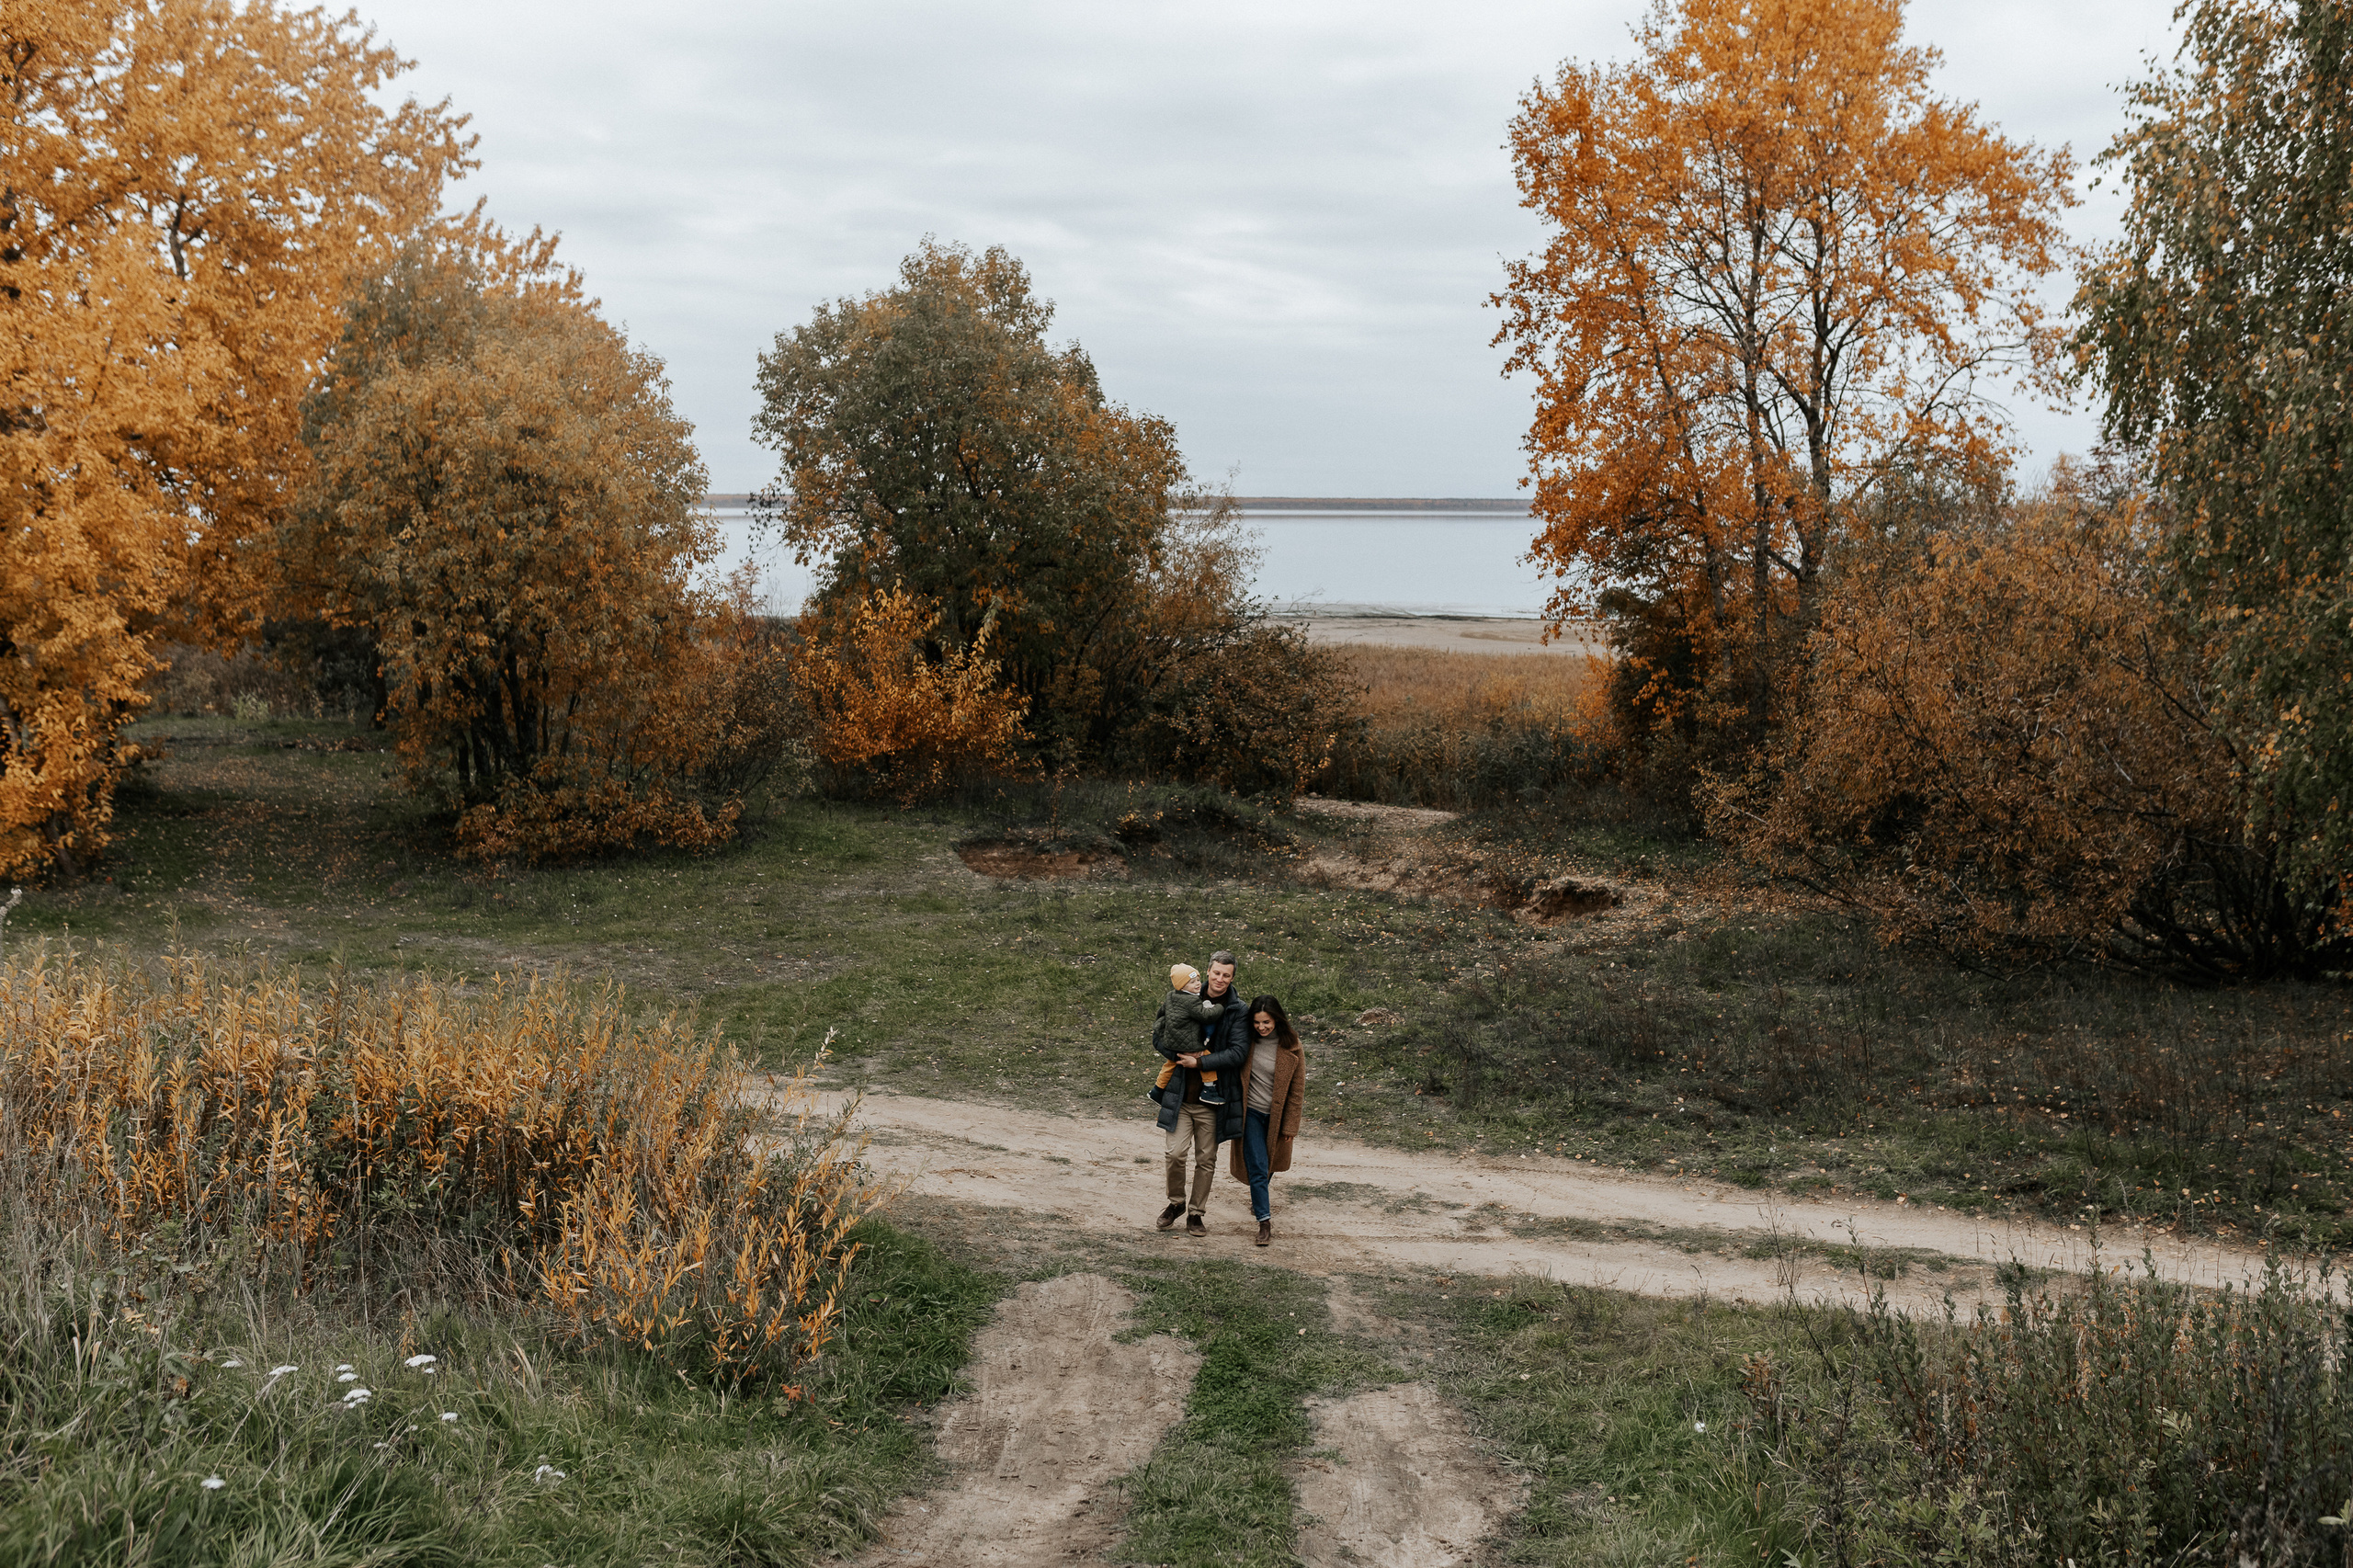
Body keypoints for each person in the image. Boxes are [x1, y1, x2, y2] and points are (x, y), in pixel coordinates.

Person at [1154, 950, 1249, 1235]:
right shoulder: (1181, 994)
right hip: (1181, 1094)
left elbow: (1239, 1053)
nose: (1220, 979)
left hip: (1213, 1098)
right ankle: (1176, 1203)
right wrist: (1178, 1054)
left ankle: (1196, 1213)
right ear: (1208, 971)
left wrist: (1201, 1062)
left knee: (1206, 1159)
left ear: (1232, 978)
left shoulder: (1237, 1009)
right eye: (1216, 973)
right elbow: (1158, 1033)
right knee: (1174, 1154)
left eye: (1226, 975)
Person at [1225, 994, 1306, 1247]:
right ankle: (1264, 1222)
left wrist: (1291, 1125)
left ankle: (1259, 1200)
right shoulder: (1246, 1041)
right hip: (1250, 1114)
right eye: (1257, 1022)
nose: (1261, 1027)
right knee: (1258, 1167)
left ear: (1277, 1020)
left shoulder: (1292, 1045)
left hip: (1276, 1117)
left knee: (1268, 1164)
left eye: (1266, 1022)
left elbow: (1297, 1089)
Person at [1152, 963, 1227, 1107]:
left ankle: (1157, 1089)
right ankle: (1209, 1090)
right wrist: (1219, 1007)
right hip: (1189, 1042)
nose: (1198, 984)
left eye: (1198, 980)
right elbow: (1206, 1016)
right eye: (1192, 982)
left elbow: (1161, 1013)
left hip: (1171, 1040)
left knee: (1170, 1064)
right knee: (1205, 1056)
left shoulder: (1171, 996)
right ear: (1182, 986)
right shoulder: (1191, 1000)